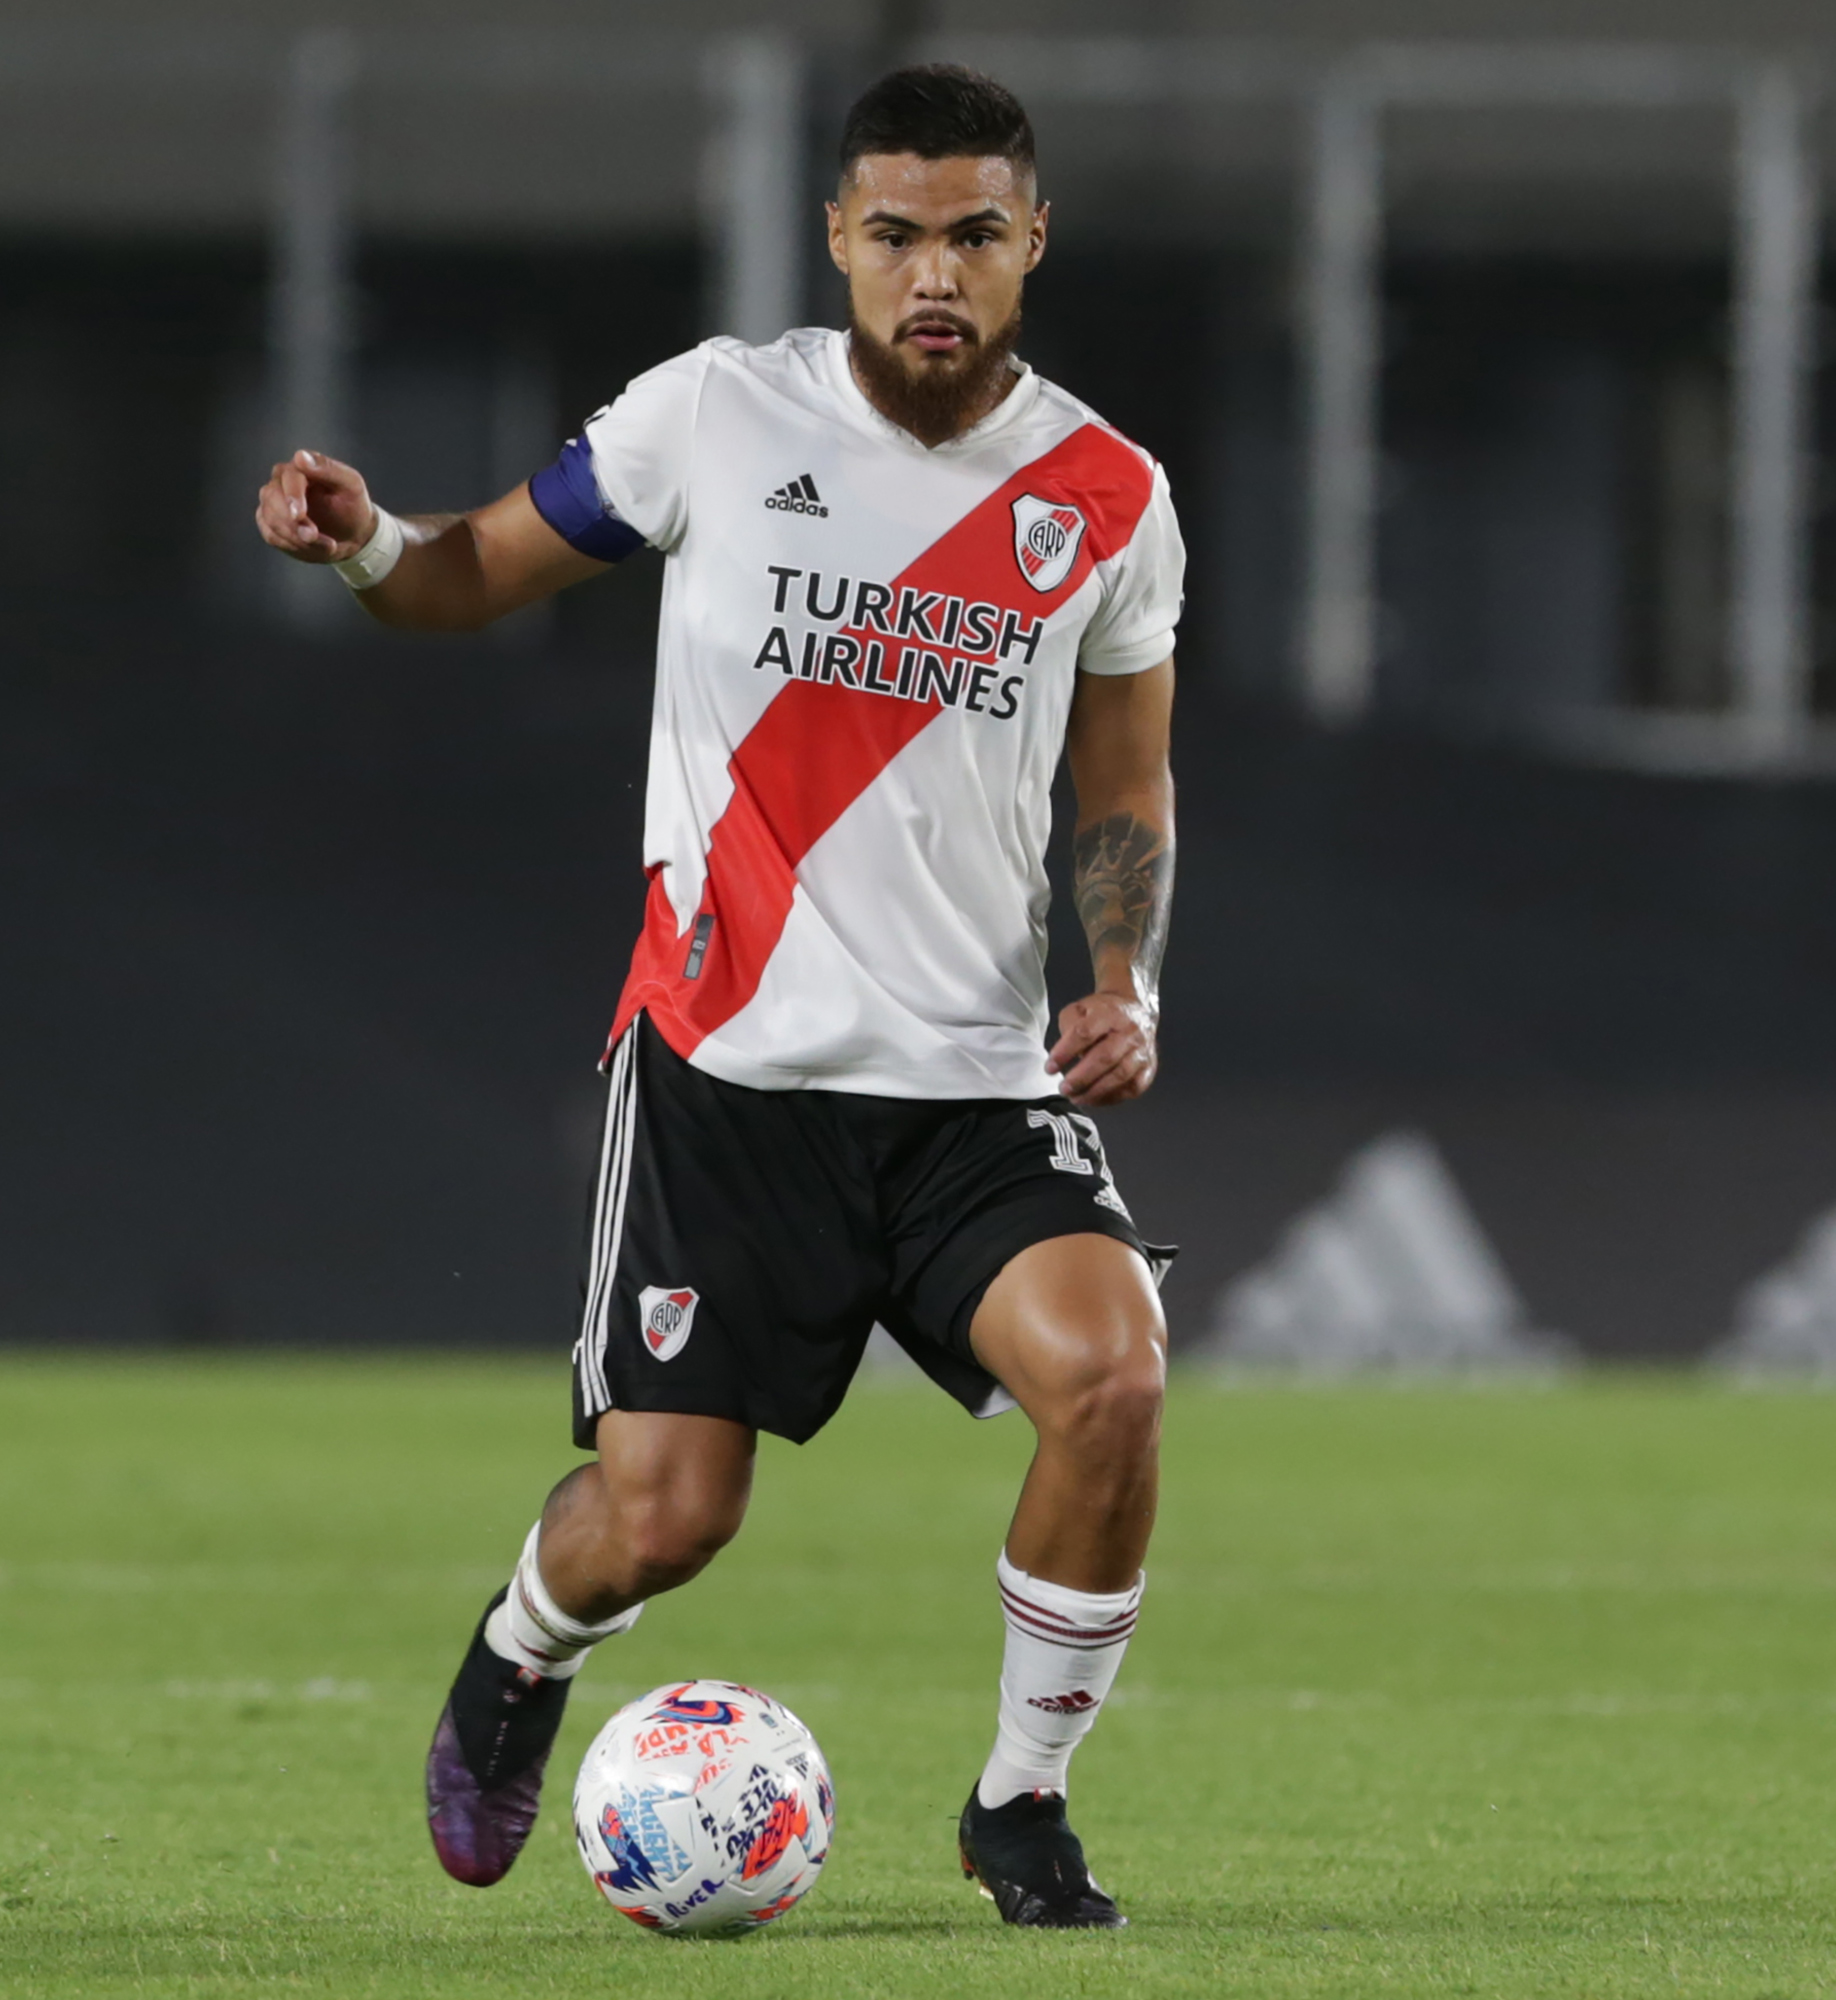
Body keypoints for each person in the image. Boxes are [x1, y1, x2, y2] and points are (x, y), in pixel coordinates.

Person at [257, 65, 1181, 1929]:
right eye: (900, 235)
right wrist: (366, 538)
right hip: (724, 1080)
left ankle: (1021, 1806)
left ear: (1033, 244)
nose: (938, 274)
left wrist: (1122, 974)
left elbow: (1127, 777)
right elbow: (466, 578)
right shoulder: (714, 414)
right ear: (841, 237)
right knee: (667, 1522)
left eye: (976, 236)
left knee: (1115, 1382)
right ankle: (524, 1649)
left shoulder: (1108, 496)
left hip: (976, 1088)